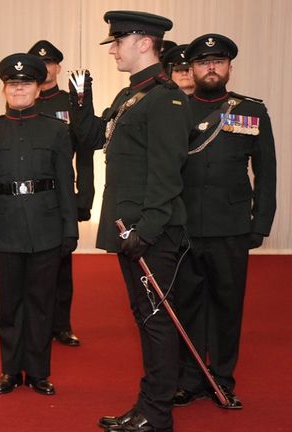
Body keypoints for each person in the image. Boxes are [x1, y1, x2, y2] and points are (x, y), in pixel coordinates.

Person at [68, 11, 190, 432]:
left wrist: (148, 230)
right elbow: (91, 138)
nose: (114, 49)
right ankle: (149, 407)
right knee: (146, 317)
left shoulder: (166, 98)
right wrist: (81, 101)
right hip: (130, 231)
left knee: (156, 320)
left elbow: (167, 173)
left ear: (144, 42)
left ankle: (156, 415)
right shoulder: (130, 96)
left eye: (118, 41)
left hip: (149, 232)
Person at [172, 33, 276, 410]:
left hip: (231, 226)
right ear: (192, 69)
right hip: (183, 226)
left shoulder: (251, 111)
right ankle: (188, 378)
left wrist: (260, 221)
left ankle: (222, 379)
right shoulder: (176, 109)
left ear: (229, 67)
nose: (211, 67)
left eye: (218, 61)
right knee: (186, 305)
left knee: (228, 306)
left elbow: (266, 171)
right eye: (203, 62)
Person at [0, 53, 78, 396]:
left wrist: (69, 229)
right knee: (10, 304)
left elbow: (65, 181)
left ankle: (40, 372)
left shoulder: (56, 129)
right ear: (4, 88)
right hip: (4, 227)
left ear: (37, 88)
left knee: (42, 304)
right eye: (13, 84)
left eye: (26, 83)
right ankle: (10, 371)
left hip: (45, 227)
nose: (19, 90)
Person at [28, 39, 95, 347]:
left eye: (50, 64)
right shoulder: (24, 101)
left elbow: (84, 151)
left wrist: (85, 195)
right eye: (39, 65)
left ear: (58, 67)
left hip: (61, 194)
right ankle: (34, 321)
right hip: (30, 196)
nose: (45, 69)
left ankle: (61, 325)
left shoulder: (72, 102)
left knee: (61, 265)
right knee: (30, 262)